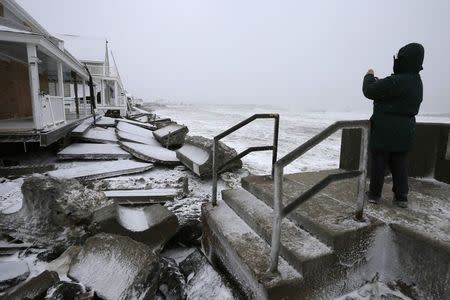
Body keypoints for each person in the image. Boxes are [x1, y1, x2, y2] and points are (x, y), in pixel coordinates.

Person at [362, 43, 424, 208]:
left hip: (384, 130)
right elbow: (396, 94)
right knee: (400, 163)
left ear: (404, 60)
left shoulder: (397, 80)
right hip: (405, 130)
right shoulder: (416, 82)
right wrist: (383, 84)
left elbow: (369, 91)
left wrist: (369, 76)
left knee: (379, 162)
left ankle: (374, 194)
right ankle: (401, 196)